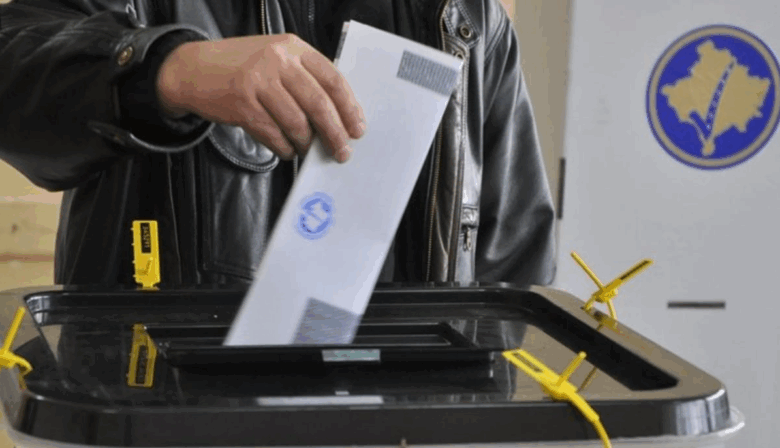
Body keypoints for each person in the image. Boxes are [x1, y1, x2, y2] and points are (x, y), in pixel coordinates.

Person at [0, 0, 556, 288]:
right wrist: (172, 68)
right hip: (165, 427)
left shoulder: (467, 17)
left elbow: (515, 271)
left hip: (400, 435)